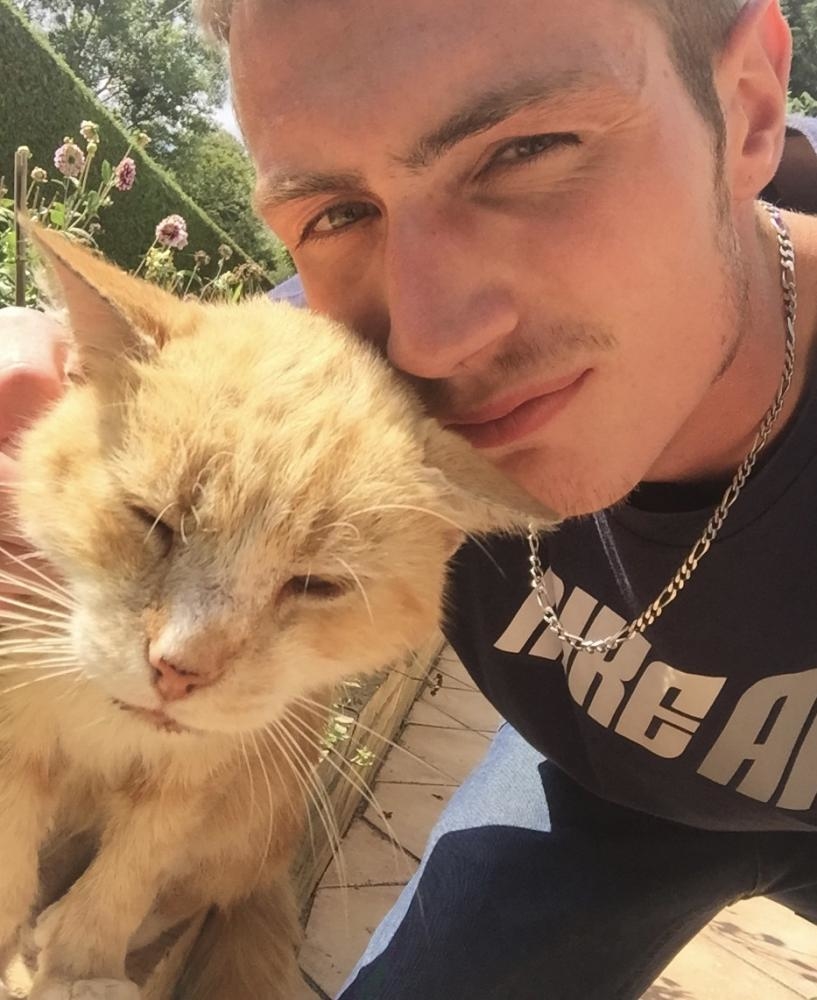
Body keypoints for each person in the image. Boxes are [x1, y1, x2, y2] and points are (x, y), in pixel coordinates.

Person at [2, 1, 817, 997]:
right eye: (335, 214)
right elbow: (195, 373)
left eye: (523, 151)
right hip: (605, 786)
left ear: (747, 107)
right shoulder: (335, 407)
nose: (428, 339)